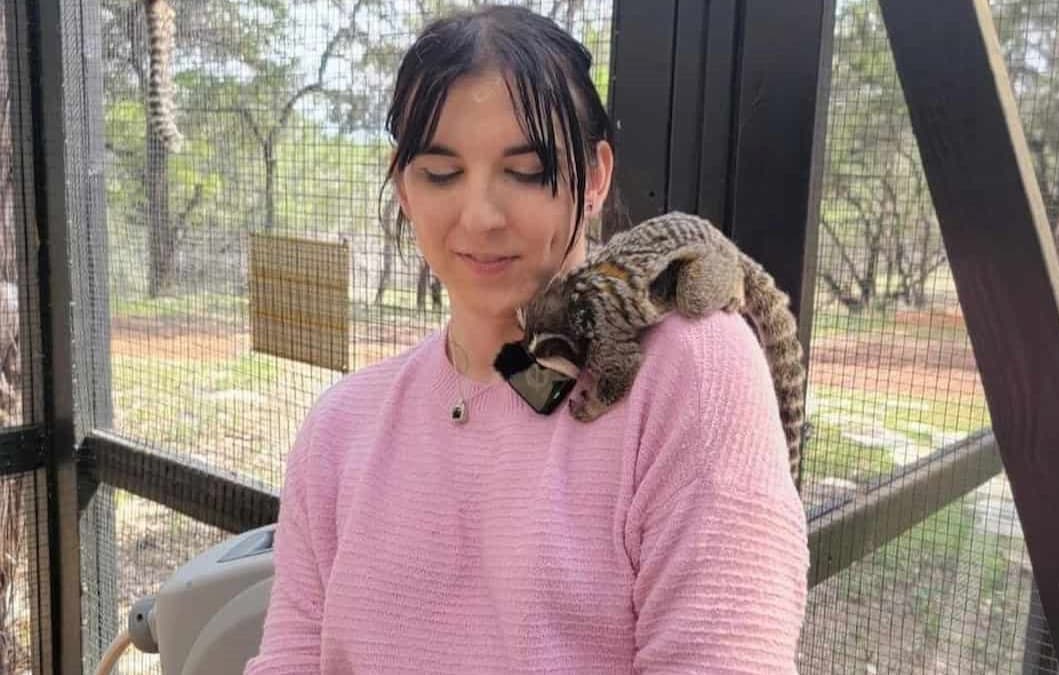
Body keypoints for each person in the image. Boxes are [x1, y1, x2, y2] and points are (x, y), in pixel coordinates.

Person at [244, 5, 808, 673]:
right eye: (442, 172)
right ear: (403, 184)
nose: (481, 217)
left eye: (527, 170)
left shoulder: (692, 367)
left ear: (594, 177)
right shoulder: (340, 429)